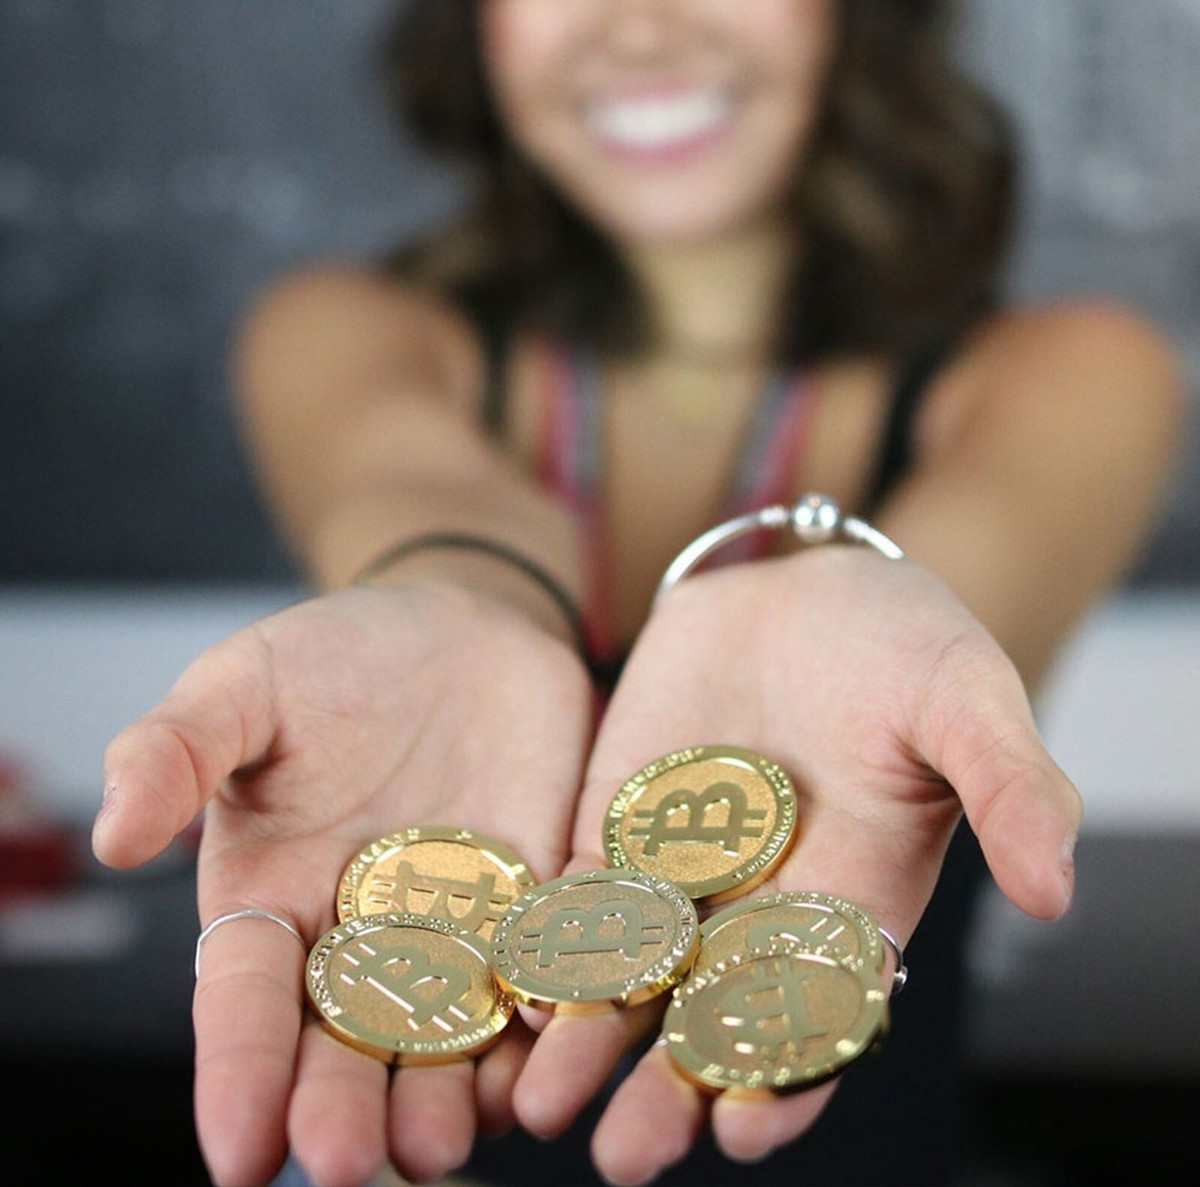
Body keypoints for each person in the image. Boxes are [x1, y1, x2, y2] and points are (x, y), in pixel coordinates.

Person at [93, 2, 1181, 1185]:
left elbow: (967, 579)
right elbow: (412, 485)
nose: (641, 28)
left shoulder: (1075, 371)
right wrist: (464, 599)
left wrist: (866, 601)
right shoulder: (345, 331)